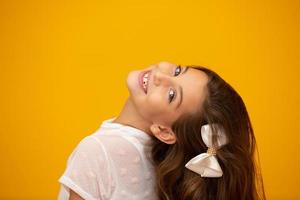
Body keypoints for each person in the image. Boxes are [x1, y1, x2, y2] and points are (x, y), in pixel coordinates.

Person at [58, 61, 266, 200]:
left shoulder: (98, 151)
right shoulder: (164, 162)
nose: (160, 76)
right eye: (177, 71)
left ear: (165, 132)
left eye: (172, 94)